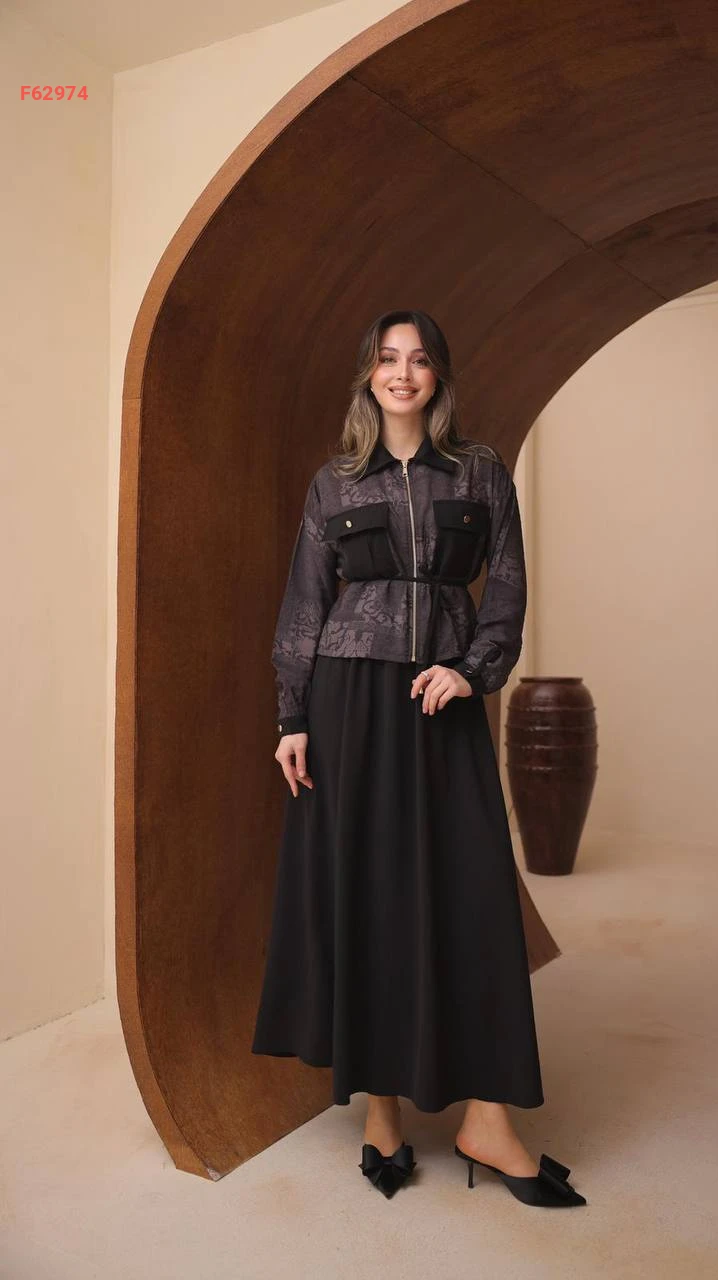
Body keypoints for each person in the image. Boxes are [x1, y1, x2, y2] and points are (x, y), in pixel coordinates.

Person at [251, 310, 585, 1207]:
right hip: (349, 705)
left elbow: (506, 584)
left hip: (443, 701)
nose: (403, 374)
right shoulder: (334, 482)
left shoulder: (478, 471)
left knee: (470, 895)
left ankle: (488, 1117)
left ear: (438, 376)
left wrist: (473, 671)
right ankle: (382, 1112)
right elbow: (305, 602)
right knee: (368, 892)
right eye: (388, 360)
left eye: (420, 360)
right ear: (370, 375)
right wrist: (292, 715)